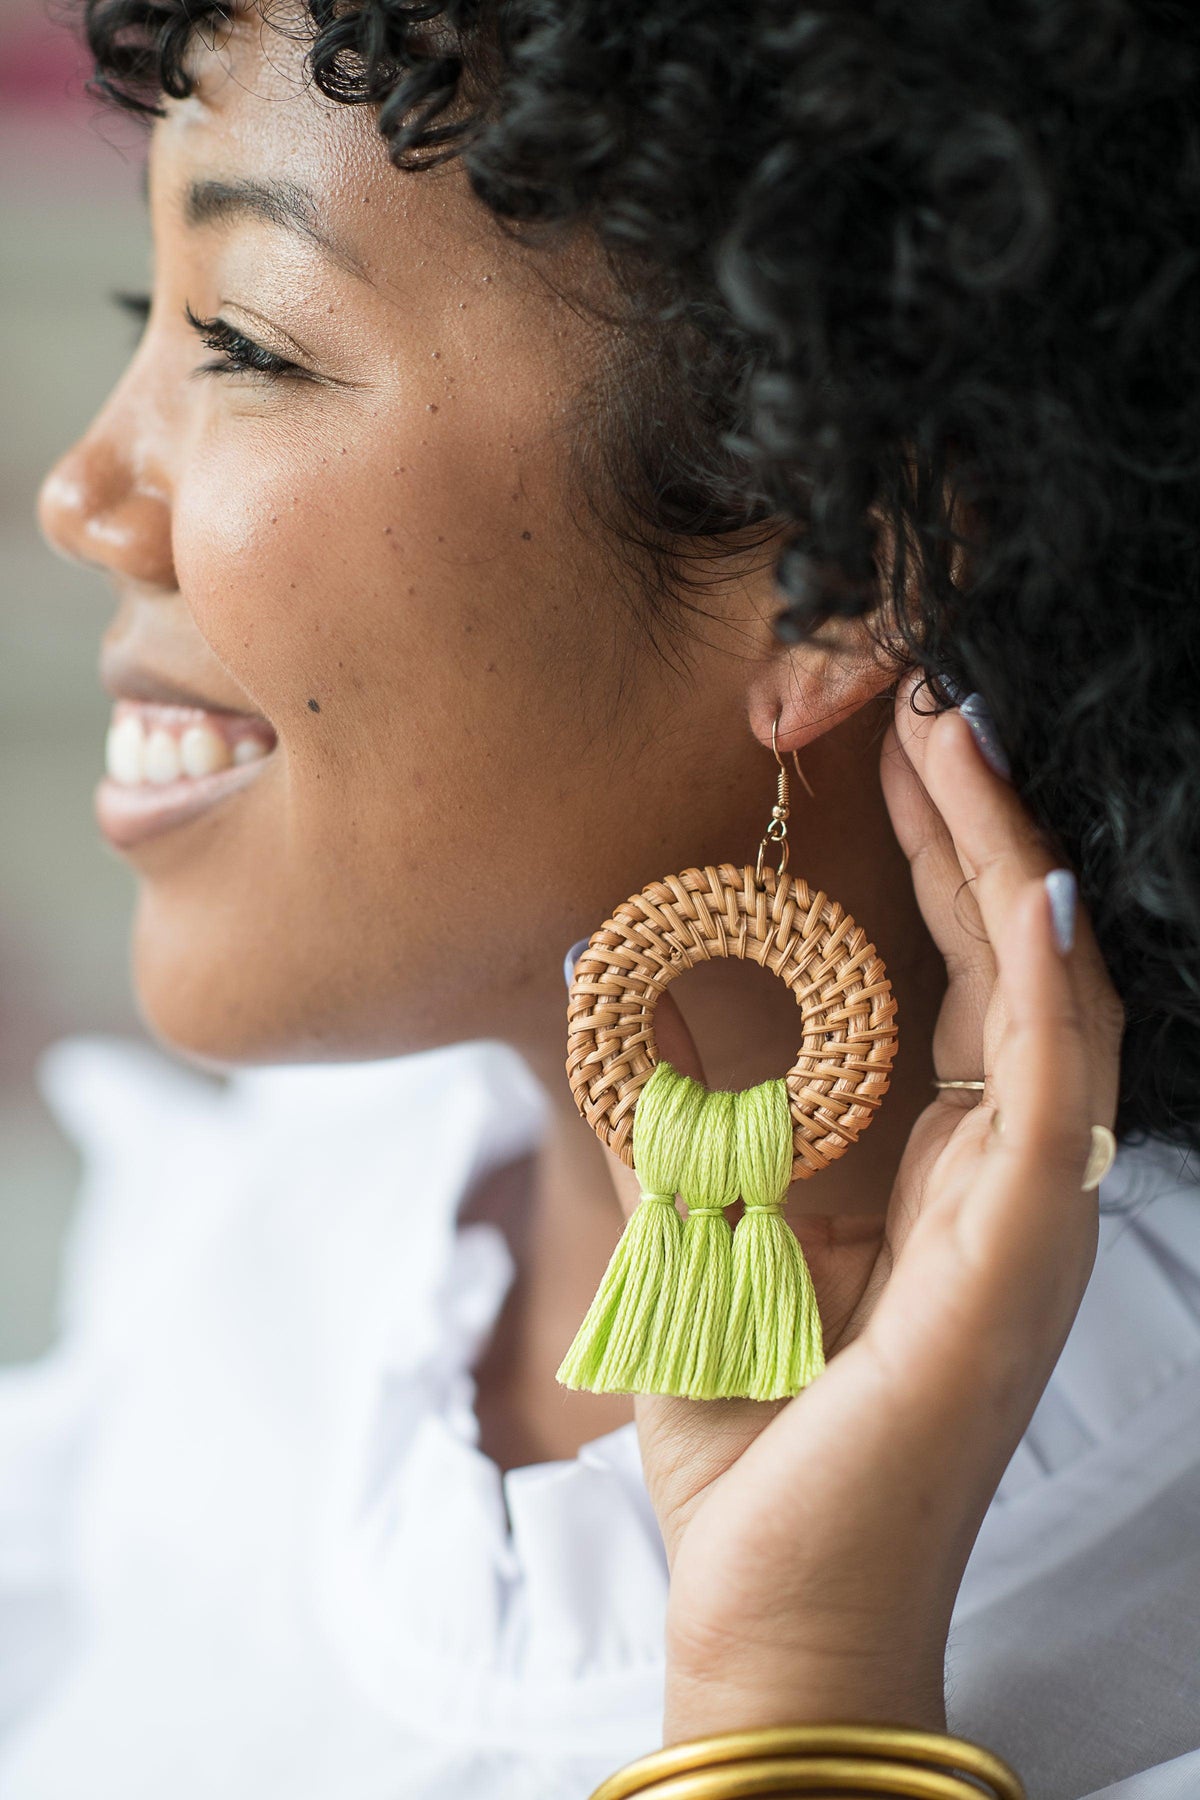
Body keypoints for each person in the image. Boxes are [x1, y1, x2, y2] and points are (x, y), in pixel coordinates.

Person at [2, 0, 1197, 1795]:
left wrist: (799, 1683)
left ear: (833, 567)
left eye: (241, 343)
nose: (82, 493)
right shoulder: (262, 1238)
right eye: (141, 320)